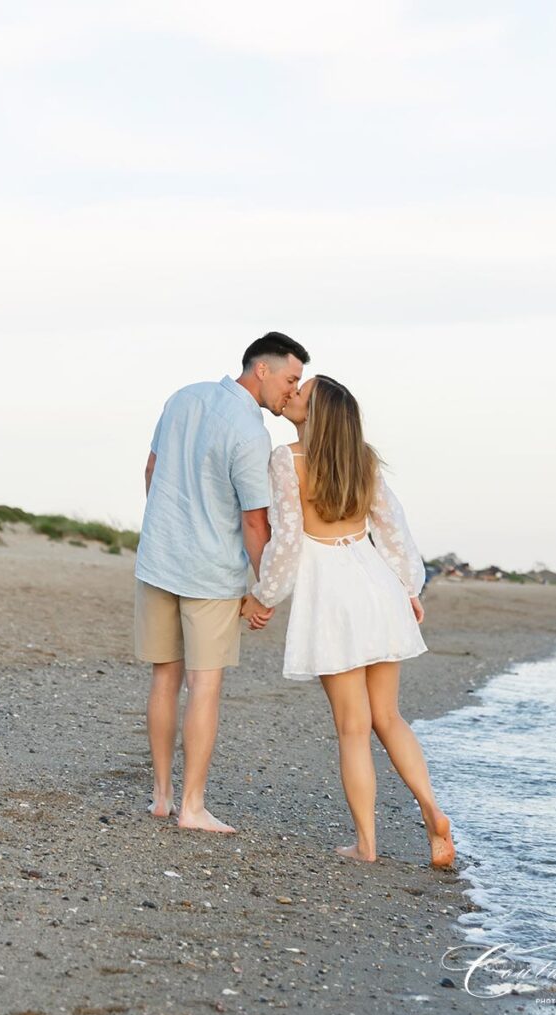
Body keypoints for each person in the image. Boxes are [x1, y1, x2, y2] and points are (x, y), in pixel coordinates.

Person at [241, 375, 455, 867]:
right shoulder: (364, 458)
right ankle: (433, 811)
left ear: (317, 411)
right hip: (376, 584)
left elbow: (289, 541)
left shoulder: (288, 458)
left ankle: (367, 844)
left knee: (353, 728)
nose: (292, 394)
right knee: (389, 716)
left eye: (302, 392)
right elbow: (393, 529)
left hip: (333, 595)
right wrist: (409, 589)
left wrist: (264, 596)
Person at [134, 332, 310, 832]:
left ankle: (163, 797)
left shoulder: (183, 397)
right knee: (204, 686)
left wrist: (166, 527)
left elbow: (151, 468)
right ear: (263, 370)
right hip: (210, 574)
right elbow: (256, 522)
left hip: (159, 560)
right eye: (290, 379)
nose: (291, 392)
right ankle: (192, 807)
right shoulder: (250, 432)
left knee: (164, 679)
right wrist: (264, 588)